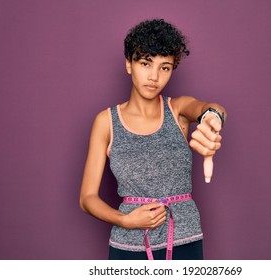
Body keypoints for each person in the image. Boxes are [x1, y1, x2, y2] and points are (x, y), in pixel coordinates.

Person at [79, 19, 227, 260]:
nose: (154, 76)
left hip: (185, 240)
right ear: (129, 64)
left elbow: (208, 107)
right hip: (129, 247)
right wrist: (125, 220)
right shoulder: (106, 122)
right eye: (145, 63)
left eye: (165, 67)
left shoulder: (177, 110)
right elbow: (87, 198)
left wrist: (213, 117)